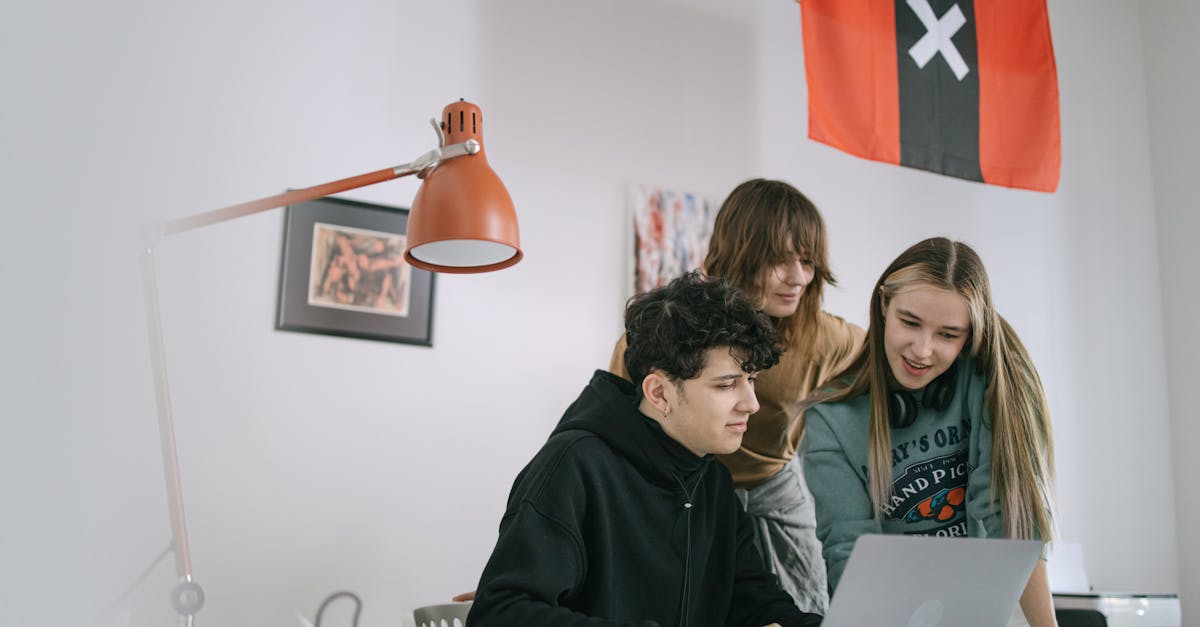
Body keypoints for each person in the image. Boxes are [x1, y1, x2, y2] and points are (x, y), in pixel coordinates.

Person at [467, 271, 822, 627]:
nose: (751, 404)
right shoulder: (573, 466)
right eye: (727, 385)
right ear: (659, 393)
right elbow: (499, 613)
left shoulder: (712, 481)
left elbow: (756, 603)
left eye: (752, 381)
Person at [608, 179, 862, 613]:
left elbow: (901, 361)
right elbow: (602, 443)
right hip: (679, 492)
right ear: (741, 253)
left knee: (804, 608)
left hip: (774, 496)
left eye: (807, 261)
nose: (798, 277)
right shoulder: (665, 337)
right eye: (781, 260)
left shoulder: (828, 339)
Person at [801, 237, 1057, 626]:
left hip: (998, 606)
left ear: (971, 335)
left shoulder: (997, 382)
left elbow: (1011, 524)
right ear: (884, 304)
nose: (922, 350)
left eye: (948, 335)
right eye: (910, 322)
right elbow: (849, 553)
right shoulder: (830, 417)